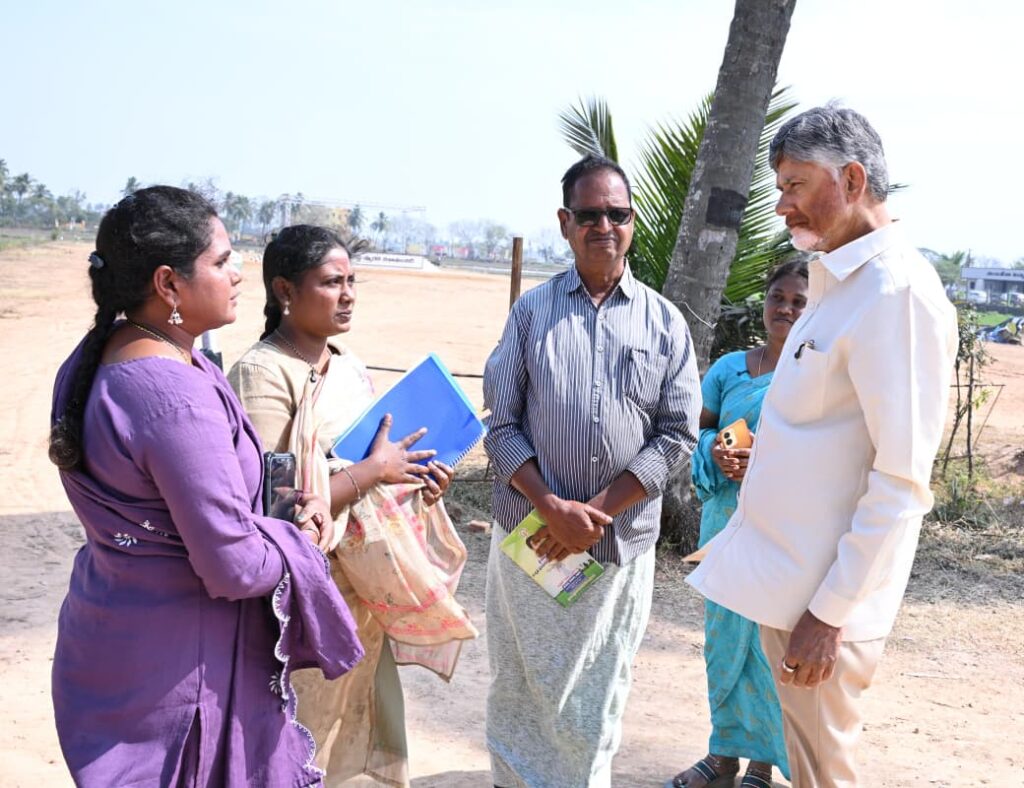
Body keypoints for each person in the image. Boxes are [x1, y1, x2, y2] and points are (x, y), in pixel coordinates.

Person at [48, 187, 364, 787]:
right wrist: (297, 542)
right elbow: (235, 567)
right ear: (169, 284)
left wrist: (281, 508)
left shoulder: (105, 354)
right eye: (221, 262)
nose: (240, 273)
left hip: (115, 636)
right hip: (177, 675)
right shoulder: (173, 396)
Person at [687, 105, 959, 786]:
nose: (781, 205)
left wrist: (828, 615)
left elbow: (901, 482)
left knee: (823, 777)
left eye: (796, 184)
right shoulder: (839, 284)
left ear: (854, 179)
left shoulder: (895, 294)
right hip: (789, 595)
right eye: (779, 187)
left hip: (820, 609)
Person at [228, 224, 477, 787]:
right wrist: (372, 473)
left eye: (351, 281)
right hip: (301, 600)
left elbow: (377, 471)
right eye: (331, 282)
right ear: (284, 290)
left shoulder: (348, 368)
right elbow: (273, 507)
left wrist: (415, 482)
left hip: (362, 597)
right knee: (295, 736)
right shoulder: (262, 374)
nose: (347, 294)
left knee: (355, 732)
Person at [483, 154, 702, 787]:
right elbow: (500, 423)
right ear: (564, 222)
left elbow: (677, 433)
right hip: (532, 540)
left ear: (632, 222)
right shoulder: (531, 314)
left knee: (594, 699)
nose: (603, 225)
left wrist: (594, 514)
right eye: (589, 214)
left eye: (617, 213)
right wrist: (551, 508)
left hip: (615, 548)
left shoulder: (664, 321)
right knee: (522, 690)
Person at [666, 259, 808, 788]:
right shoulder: (728, 369)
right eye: (778, 297)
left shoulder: (812, 377)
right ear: (764, 302)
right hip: (724, 524)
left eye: (799, 301)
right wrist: (717, 454)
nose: (786, 309)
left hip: (780, 528)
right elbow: (690, 434)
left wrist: (767, 462)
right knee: (723, 638)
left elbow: (823, 456)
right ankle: (721, 756)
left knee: (767, 642)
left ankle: (762, 766)